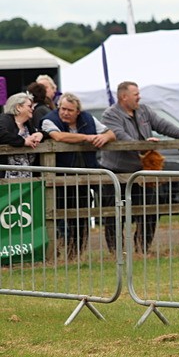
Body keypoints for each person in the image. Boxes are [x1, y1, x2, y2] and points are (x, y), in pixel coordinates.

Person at [99, 80, 179, 253]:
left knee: (151, 209)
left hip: (142, 171)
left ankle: (142, 248)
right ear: (124, 97)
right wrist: (143, 145)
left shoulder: (144, 111)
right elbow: (120, 136)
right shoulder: (110, 115)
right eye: (136, 94)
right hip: (117, 171)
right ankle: (116, 251)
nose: (139, 97)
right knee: (115, 213)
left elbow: (163, 125)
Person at [42, 93, 116, 258]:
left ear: (77, 111)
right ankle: (58, 253)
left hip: (85, 178)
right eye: (63, 109)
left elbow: (111, 133)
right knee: (59, 216)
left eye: (70, 110)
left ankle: (76, 254)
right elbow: (58, 136)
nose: (65, 113)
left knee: (82, 217)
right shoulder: (49, 120)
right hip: (59, 179)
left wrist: (103, 137)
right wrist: (87, 137)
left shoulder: (88, 119)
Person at [0, 93, 45, 178]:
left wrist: (41, 134)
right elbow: (1, 134)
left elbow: (46, 133)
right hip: (6, 179)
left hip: (28, 178)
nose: (33, 108)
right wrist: (23, 141)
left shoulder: (27, 125)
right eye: (29, 106)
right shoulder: (5, 119)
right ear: (19, 107)